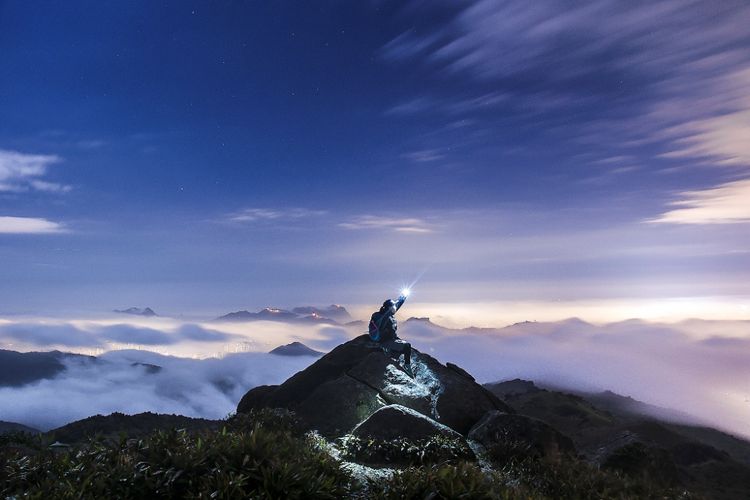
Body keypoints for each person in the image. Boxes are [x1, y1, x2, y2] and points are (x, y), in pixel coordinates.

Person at [370, 293, 412, 373]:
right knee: (407, 347)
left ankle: (392, 353)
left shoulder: (388, 315)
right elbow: (383, 321)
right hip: (384, 341)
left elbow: (396, 307)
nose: (395, 307)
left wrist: (402, 298)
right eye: (393, 306)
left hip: (389, 339)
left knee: (406, 347)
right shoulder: (382, 317)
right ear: (389, 308)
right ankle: (406, 366)